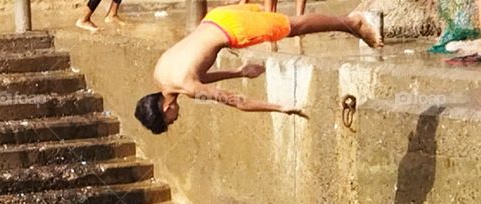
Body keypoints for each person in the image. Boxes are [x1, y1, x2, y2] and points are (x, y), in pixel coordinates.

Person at [134, 5, 383, 134]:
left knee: (294, 27)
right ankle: (350, 24)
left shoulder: (188, 88)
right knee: (283, 21)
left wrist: (280, 108)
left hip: (234, 29)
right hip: (217, 18)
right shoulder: (161, 74)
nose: (175, 120)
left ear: (165, 110)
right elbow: (199, 73)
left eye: (169, 122)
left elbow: (238, 102)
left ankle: (352, 22)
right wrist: (239, 72)